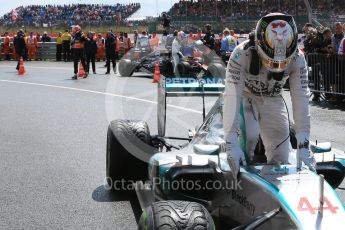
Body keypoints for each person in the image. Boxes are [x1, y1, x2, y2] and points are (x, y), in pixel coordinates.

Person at [223, 13, 316, 180]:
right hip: (246, 97)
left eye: (282, 62)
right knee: (249, 138)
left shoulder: (298, 58)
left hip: (273, 99)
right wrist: (230, 141)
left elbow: (301, 97)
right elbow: (231, 96)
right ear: (259, 44)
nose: (277, 66)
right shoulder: (240, 54)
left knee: (282, 155)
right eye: (272, 61)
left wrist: (303, 141)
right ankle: (239, 179)